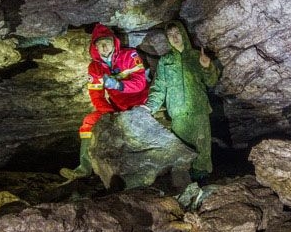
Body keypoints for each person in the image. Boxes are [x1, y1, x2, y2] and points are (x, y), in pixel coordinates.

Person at [60, 24, 149, 180]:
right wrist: (107, 113)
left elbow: (140, 83)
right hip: (115, 107)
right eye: (99, 44)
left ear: (114, 42)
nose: (104, 46)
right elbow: (96, 95)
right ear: (95, 47)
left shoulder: (130, 56)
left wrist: (118, 85)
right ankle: (83, 169)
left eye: (106, 42)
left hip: (138, 103)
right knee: (89, 121)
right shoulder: (95, 68)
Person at [143, 21, 219, 180]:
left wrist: (207, 66)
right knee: (181, 153)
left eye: (177, 33)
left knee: (202, 153)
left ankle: (203, 188)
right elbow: (159, 88)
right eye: (170, 35)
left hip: (199, 112)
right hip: (178, 115)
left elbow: (211, 81)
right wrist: (149, 108)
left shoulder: (196, 56)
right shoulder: (166, 61)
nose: (174, 37)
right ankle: (183, 189)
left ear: (183, 34)